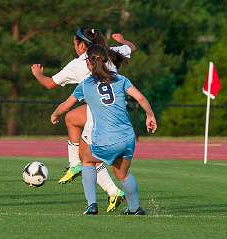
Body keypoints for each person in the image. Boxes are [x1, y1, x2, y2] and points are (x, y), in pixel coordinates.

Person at [31, 28, 137, 212]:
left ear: (81, 45)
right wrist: (123, 39)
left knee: (88, 157)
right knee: (72, 119)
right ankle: (112, 191)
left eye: (74, 43)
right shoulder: (109, 52)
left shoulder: (79, 63)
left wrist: (37, 74)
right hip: (117, 113)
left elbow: (49, 84)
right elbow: (131, 48)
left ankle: (86, 180)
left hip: (98, 115)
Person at [51, 44, 157, 215]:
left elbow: (65, 106)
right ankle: (135, 208)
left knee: (86, 159)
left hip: (106, 140)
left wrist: (55, 114)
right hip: (128, 138)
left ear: (88, 63)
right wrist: (150, 116)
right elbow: (140, 98)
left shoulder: (86, 85)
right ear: (107, 60)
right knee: (122, 174)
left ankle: (91, 205)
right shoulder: (121, 79)